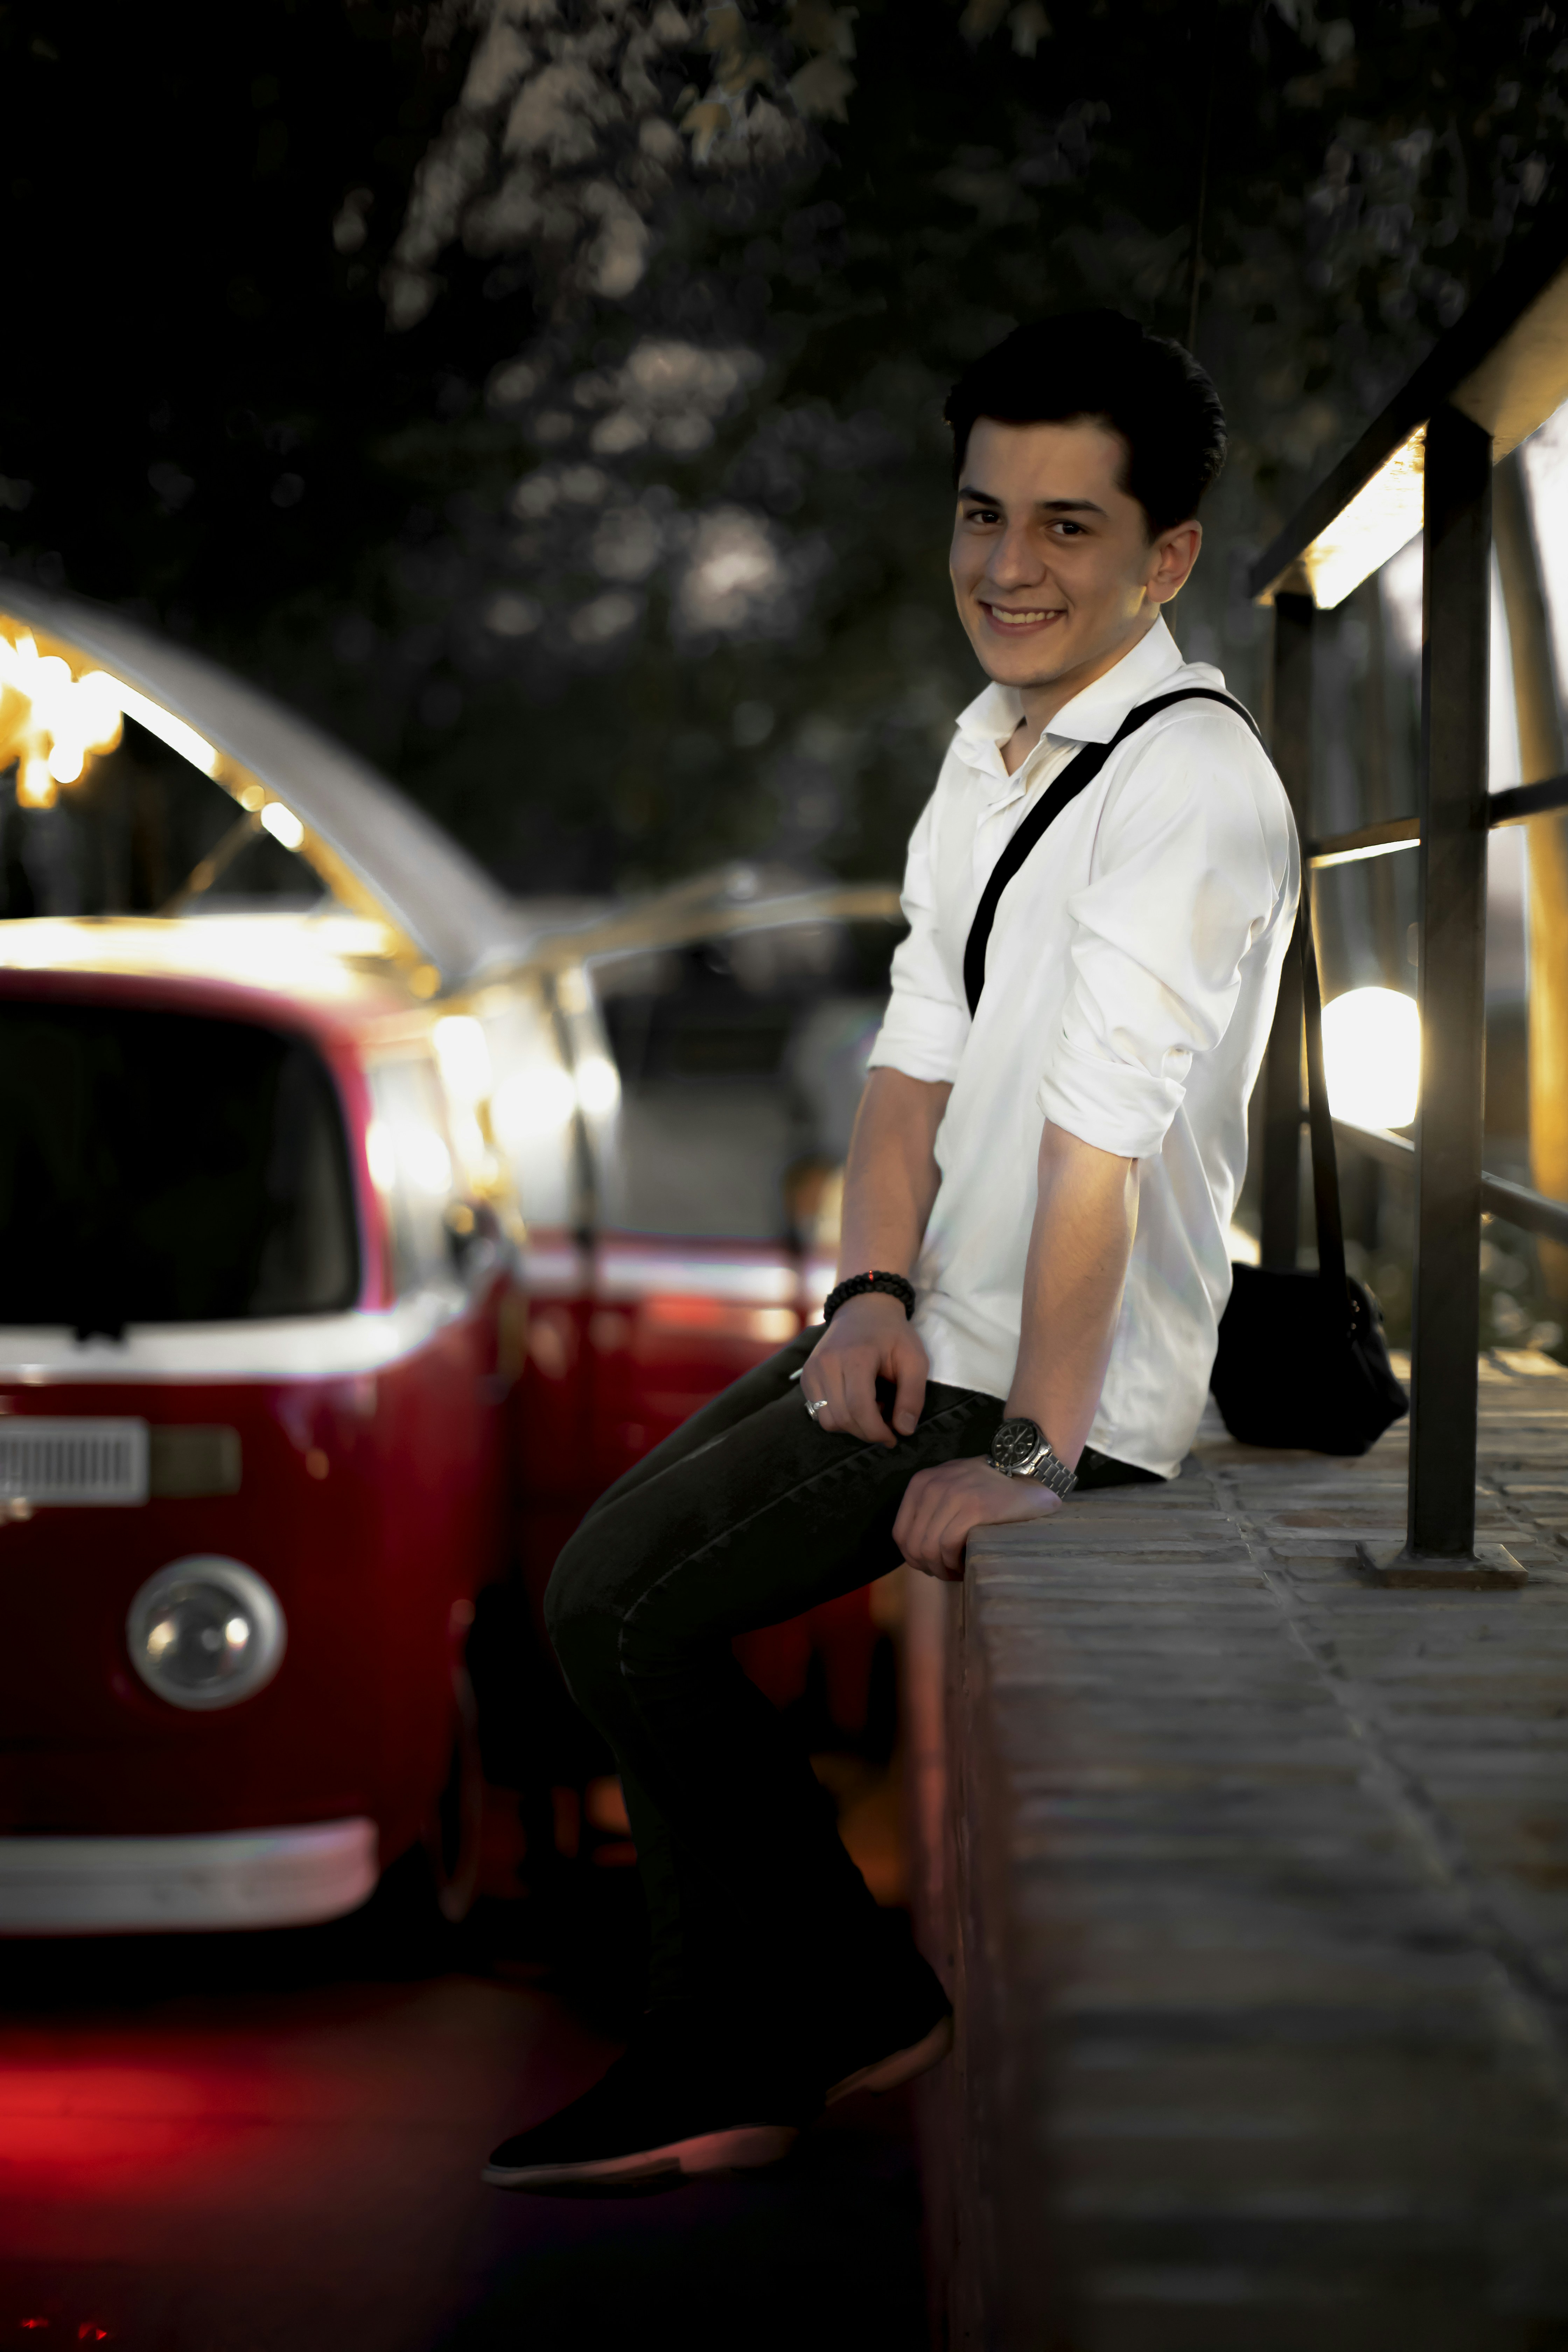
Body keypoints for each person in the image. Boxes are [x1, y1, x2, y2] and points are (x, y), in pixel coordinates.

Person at [484, 308, 1300, 2190]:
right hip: (951, 1326)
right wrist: (864, 1292)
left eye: (1068, 528)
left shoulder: (1188, 788)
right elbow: (906, 1067)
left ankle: (813, 2004)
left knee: (613, 1601)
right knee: (610, 1580)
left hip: (1050, 1378)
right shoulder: (993, 742)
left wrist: (1034, 1463)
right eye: (982, 516)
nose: (1007, 568)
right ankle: (766, 2019)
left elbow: (1105, 1146)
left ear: (1168, 557)